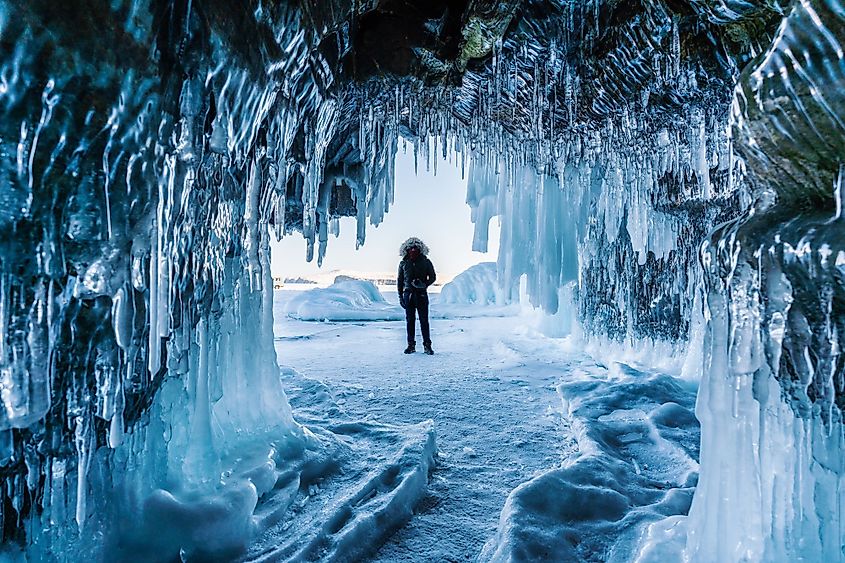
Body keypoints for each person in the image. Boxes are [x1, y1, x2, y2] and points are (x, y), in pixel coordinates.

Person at [397, 237, 436, 354]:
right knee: (410, 321)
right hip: (408, 295)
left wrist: (423, 285)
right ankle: (411, 345)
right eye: (410, 248)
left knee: (424, 320)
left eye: (416, 247)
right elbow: (400, 281)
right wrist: (400, 296)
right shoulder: (403, 263)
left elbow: (433, 277)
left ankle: (427, 345)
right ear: (406, 249)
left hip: (421, 295)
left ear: (420, 249)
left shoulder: (426, 261)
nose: (413, 250)